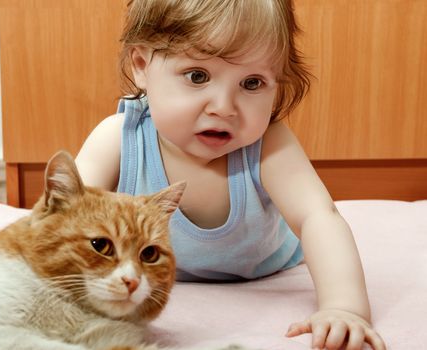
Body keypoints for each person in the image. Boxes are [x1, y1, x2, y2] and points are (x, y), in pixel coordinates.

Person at [75, 1, 386, 349]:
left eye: (252, 83)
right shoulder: (119, 137)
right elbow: (65, 218)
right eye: (197, 76)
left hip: (264, 267)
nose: (223, 107)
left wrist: (345, 307)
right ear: (141, 65)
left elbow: (318, 216)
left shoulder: (268, 144)